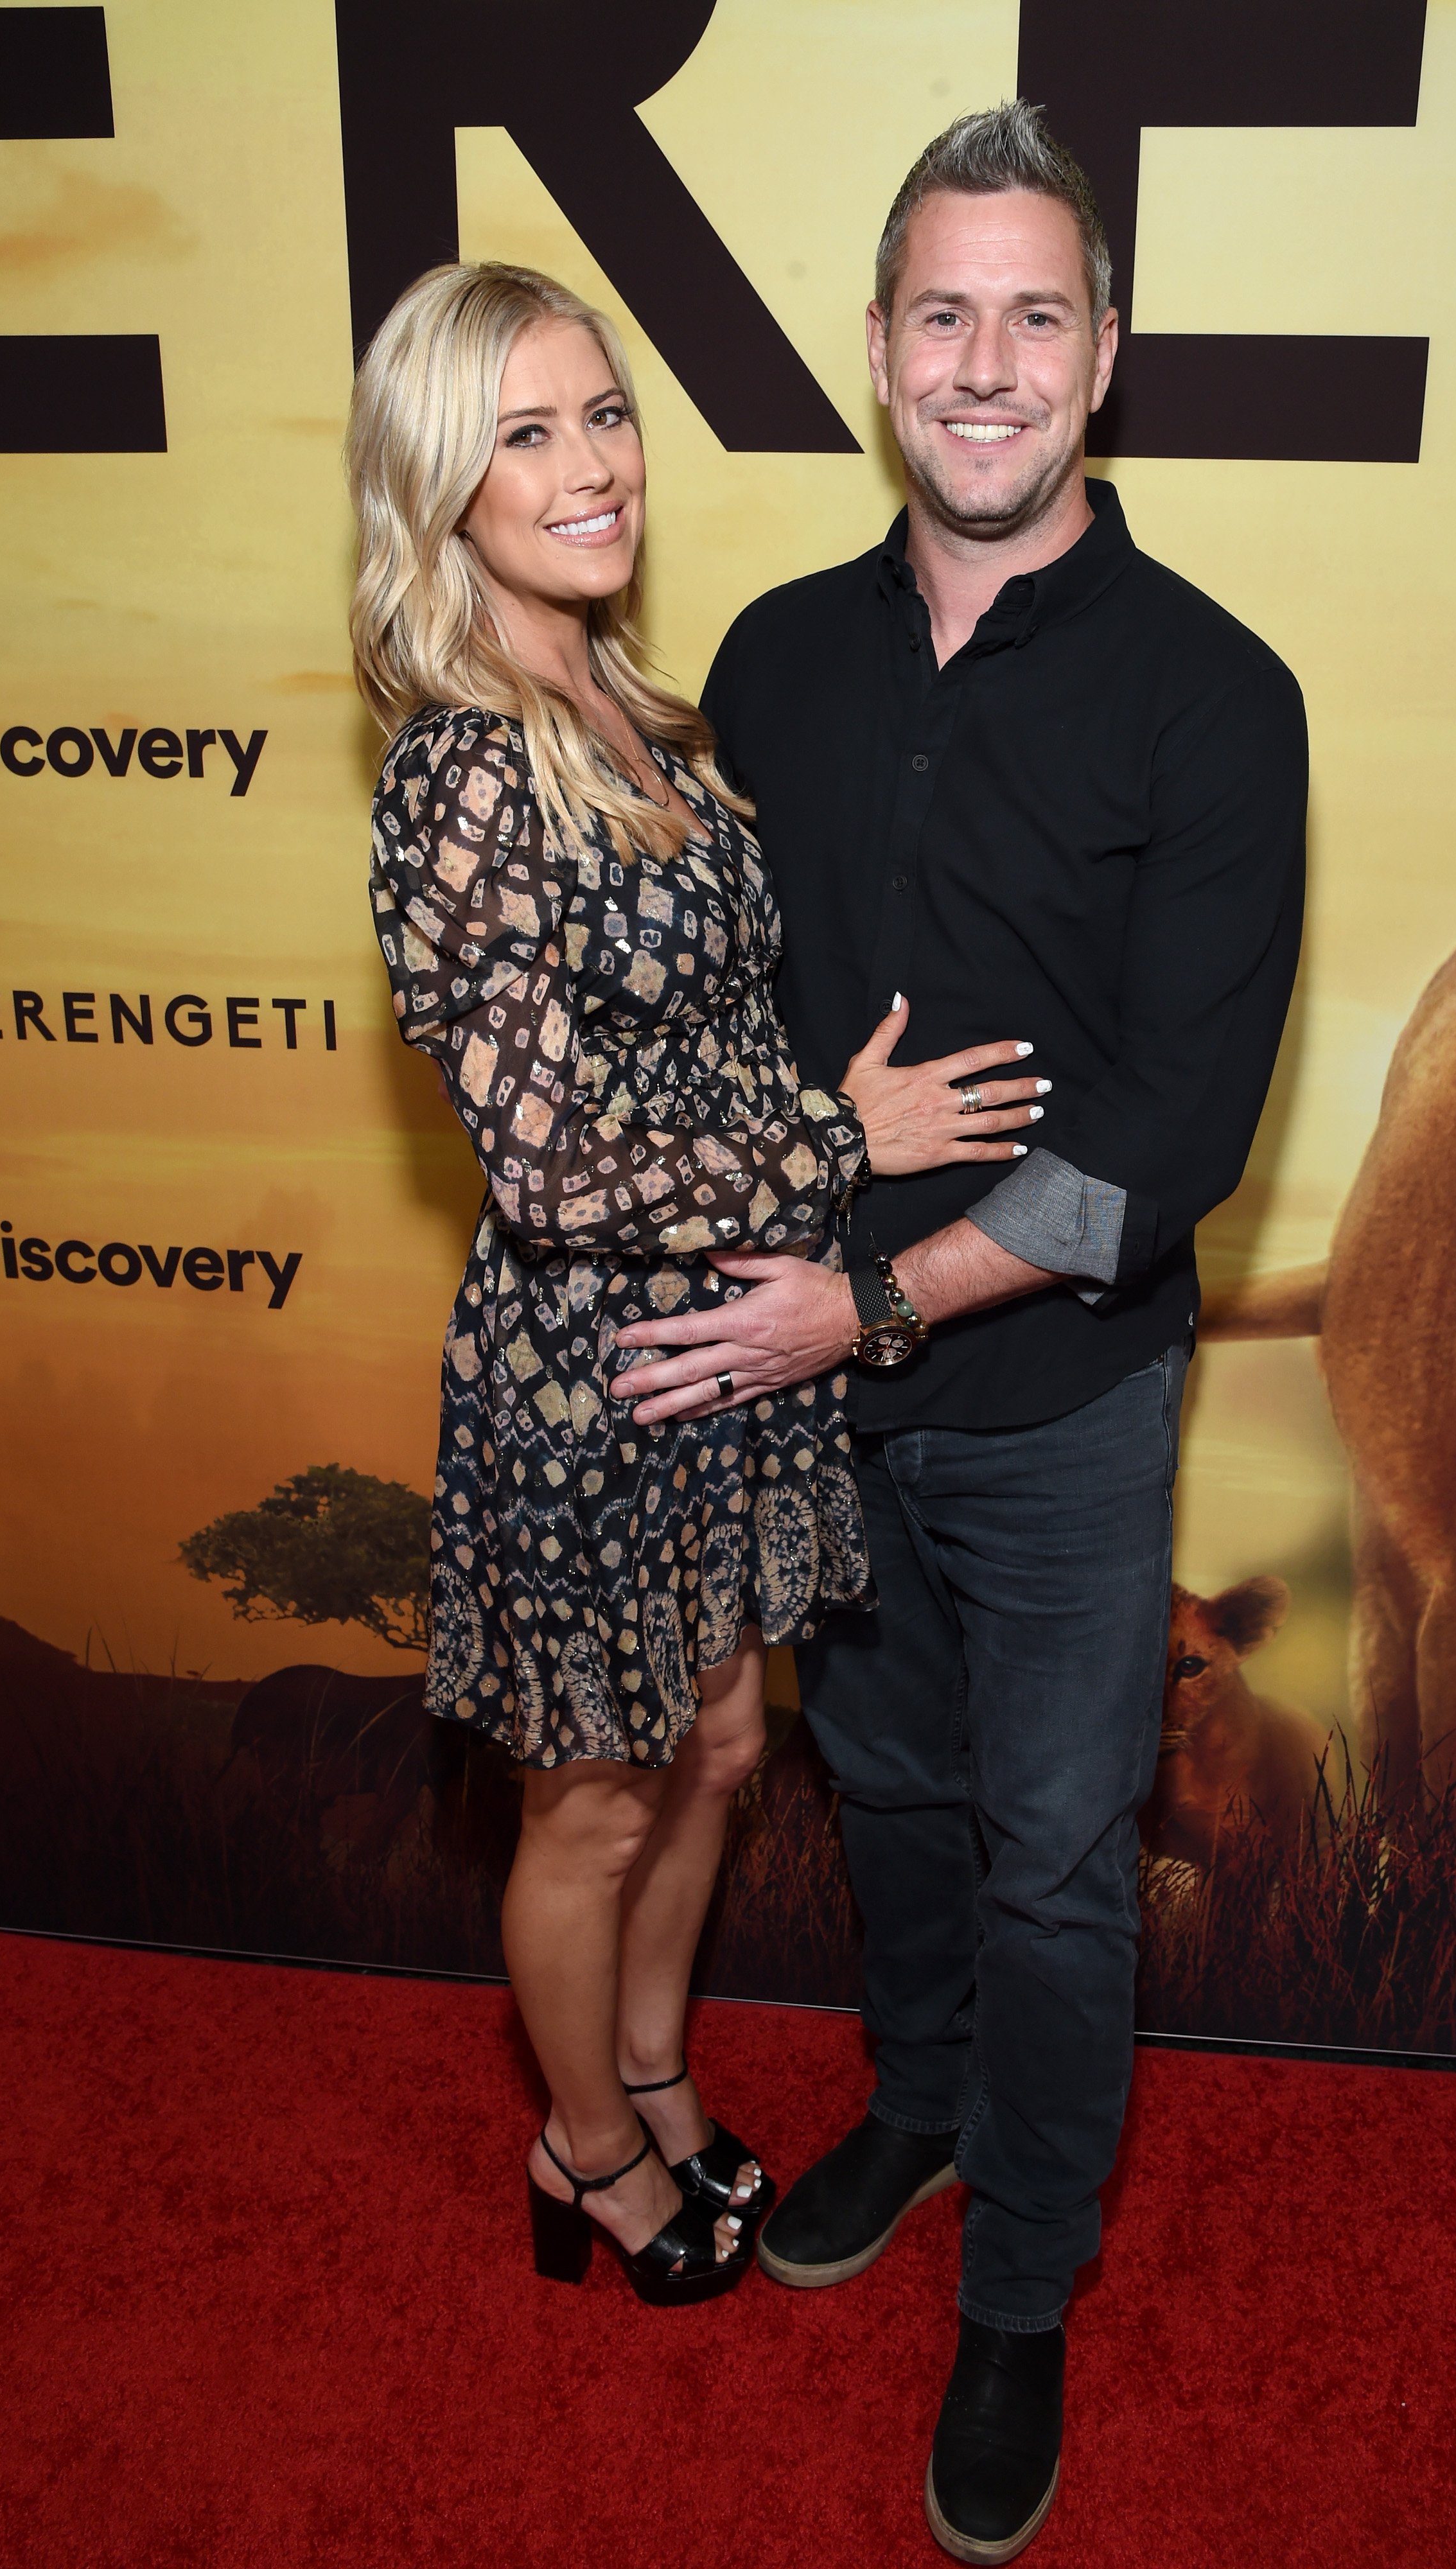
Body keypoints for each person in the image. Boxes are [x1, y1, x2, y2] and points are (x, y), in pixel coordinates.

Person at [612, 105, 1306, 2556]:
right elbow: (703, 1043)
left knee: (1046, 1864)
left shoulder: (1218, 699)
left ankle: (1020, 2286)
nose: (987, 365)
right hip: (822, 1418)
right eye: (943, 314)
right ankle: (914, 2107)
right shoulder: (774, 662)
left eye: (1036, 315)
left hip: (1054, 1412)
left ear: (1102, 357)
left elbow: (1165, 1134)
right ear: (880, 355)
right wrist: (792, 1209)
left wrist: (870, 1296)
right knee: (883, 1798)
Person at [346, 263, 1042, 2310]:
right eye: (526, 436)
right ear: (441, 489)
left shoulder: (641, 713)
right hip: (591, 1376)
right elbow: (551, 1162)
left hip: (736, 1352)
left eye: (605, 415)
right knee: (592, 1804)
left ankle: (650, 2074)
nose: (588, 468)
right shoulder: (463, 771)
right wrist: (841, 1144)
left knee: (725, 1754)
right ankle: (579, 2155)